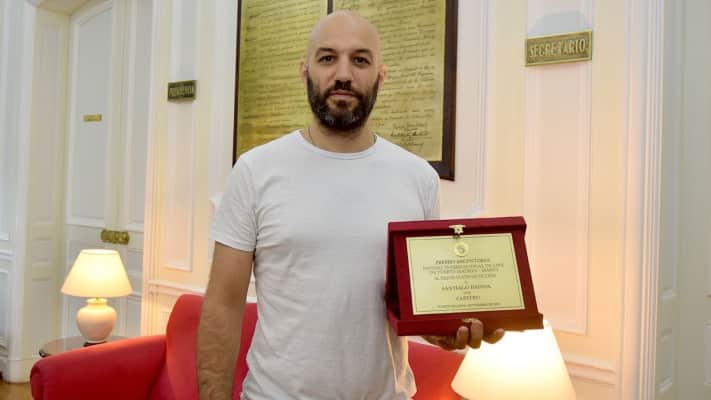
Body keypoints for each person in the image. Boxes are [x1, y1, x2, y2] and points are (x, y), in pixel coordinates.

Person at [197, 11, 504, 400]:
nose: (343, 74)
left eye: (360, 60)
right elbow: (223, 305)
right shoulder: (255, 170)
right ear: (305, 71)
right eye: (328, 58)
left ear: (380, 76)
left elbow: (414, 306)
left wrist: (446, 330)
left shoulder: (418, 177)